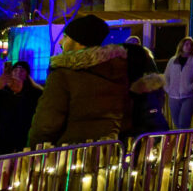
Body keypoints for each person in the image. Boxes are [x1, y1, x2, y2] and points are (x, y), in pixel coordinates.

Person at [29, 13, 130, 146]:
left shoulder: (63, 75)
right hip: (106, 152)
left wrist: (33, 151)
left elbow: (46, 125)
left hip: (69, 155)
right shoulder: (117, 72)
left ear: (79, 42)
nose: (60, 42)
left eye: (65, 37)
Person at [0, 59, 41, 155]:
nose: (18, 72)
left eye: (22, 70)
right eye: (15, 70)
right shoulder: (2, 92)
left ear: (27, 75)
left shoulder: (34, 93)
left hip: (22, 137)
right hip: (2, 138)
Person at [164, 37, 193, 131]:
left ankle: (184, 144)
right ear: (181, 45)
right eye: (187, 44)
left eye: (191, 44)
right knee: (177, 124)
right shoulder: (173, 60)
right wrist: (168, 89)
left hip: (189, 96)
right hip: (173, 97)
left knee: (183, 123)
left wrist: (191, 87)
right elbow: (166, 76)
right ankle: (183, 144)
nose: (189, 46)